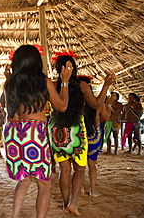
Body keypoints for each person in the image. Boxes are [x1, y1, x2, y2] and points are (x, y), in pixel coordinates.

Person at [3, 45, 72, 218]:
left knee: (24, 179)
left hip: (14, 134)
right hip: (35, 132)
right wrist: (65, 81)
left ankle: (14, 216)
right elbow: (62, 106)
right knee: (44, 183)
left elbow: (8, 109)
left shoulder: (10, 83)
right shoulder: (43, 81)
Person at [49, 54, 116, 216]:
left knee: (64, 169)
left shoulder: (53, 84)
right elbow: (96, 104)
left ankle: (66, 204)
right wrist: (106, 86)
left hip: (58, 130)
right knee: (79, 169)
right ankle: (73, 203)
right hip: (77, 130)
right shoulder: (83, 85)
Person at [79, 76, 111, 197]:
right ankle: (92, 191)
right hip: (94, 135)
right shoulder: (98, 102)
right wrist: (109, 105)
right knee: (92, 164)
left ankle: (80, 188)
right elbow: (106, 117)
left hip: (80, 135)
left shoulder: (75, 102)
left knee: (79, 165)